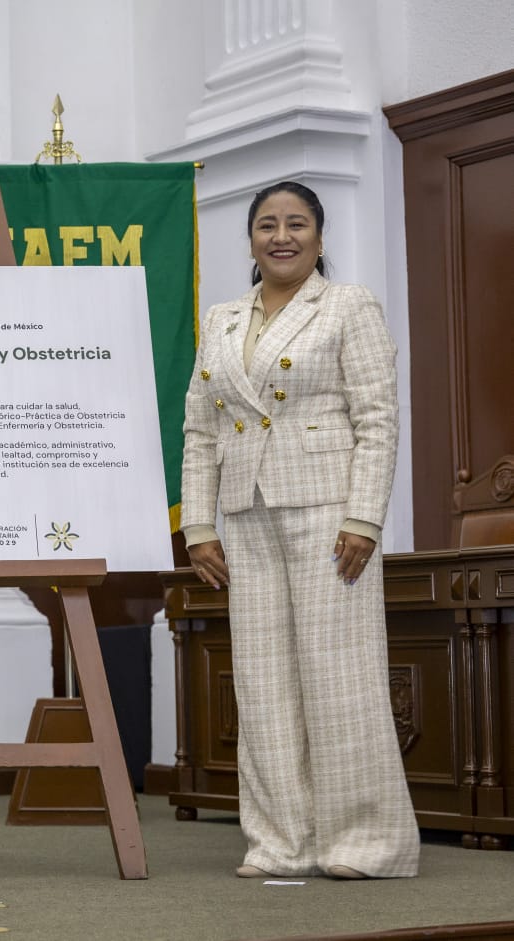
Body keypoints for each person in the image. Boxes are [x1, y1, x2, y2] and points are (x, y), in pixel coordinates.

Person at [180, 181, 419, 880]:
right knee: (260, 683)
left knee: (338, 676)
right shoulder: (221, 318)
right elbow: (201, 426)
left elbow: (376, 418)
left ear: (318, 235)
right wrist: (199, 522)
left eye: (295, 223)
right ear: (249, 238)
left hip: (327, 512)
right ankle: (280, 841)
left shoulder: (347, 305)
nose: (279, 236)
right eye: (265, 224)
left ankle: (362, 842)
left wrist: (363, 515)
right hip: (245, 511)